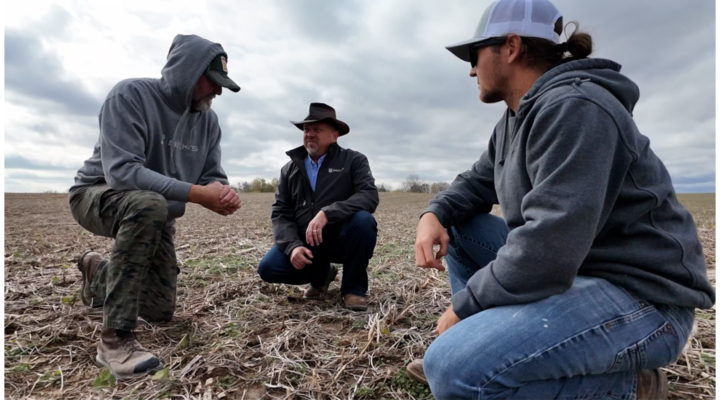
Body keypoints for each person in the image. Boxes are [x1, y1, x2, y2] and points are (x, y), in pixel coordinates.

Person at [409, 1, 715, 399]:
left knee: (451, 371)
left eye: (474, 54)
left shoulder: (578, 108)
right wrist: (433, 213)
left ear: (511, 46)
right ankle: (486, 347)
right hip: (577, 271)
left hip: (642, 299)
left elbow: (549, 245)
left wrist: (467, 307)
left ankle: (631, 386)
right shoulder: (514, 121)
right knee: (461, 226)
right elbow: (473, 183)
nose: (470, 69)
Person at [69, 34, 242, 380]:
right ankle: (114, 340)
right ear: (187, 73)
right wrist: (194, 193)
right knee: (149, 204)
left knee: (159, 309)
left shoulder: (209, 122)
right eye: (212, 82)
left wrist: (221, 192)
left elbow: (211, 175)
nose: (217, 92)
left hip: (155, 209)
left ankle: (97, 272)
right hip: (98, 194)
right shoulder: (130, 95)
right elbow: (123, 172)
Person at [257, 103, 379, 311]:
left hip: (342, 238)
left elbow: (368, 195)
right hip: (307, 243)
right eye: (306, 130)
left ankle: (353, 290)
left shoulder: (354, 160)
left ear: (334, 136)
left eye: (317, 129)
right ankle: (322, 275)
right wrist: (292, 246)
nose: (310, 134)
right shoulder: (290, 169)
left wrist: (328, 213)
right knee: (268, 268)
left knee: (364, 221)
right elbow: (280, 213)